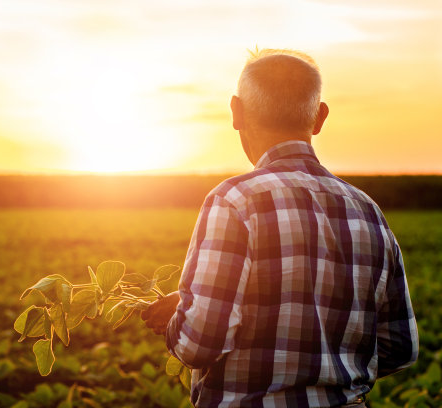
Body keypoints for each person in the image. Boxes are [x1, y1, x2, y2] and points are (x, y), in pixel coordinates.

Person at [141, 49, 419, 408]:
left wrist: (180, 320)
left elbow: (201, 342)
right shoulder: (368, 210)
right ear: (320, 117)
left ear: (236, 112)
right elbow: (400, 346)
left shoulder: (234, 200)